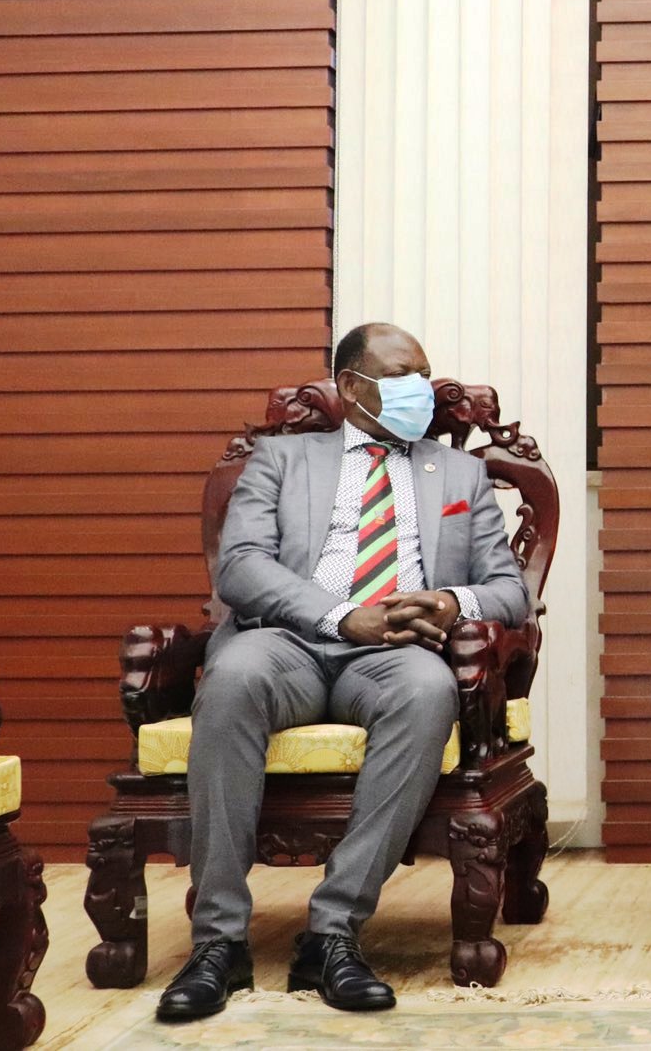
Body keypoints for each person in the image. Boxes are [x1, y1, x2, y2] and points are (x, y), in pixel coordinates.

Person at [157, 323, 530, 1023]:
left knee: (429, 691)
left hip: (397, 654)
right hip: (286, 643)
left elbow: (509, 588)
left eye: (425, 372)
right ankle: (218, 944)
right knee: (231, 679)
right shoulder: (282, 459)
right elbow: (240, 567)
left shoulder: (458, 474)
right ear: (352, 386)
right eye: (402, 375)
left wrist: (451, 601)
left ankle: (332, 934)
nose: (421, 388)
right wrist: (339, 615)